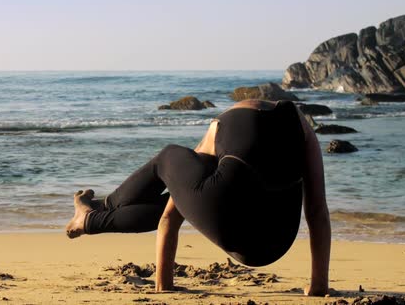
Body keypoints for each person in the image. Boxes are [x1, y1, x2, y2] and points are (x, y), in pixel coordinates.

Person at [65, 99, 331, 296]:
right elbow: (317, 209)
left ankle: (94, 214)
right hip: (276, 239)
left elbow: (170, 215)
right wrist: (319, 285)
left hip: (229, 227)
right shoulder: (302, 128)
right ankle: (95, 212)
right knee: (201, 192)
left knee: (167, 159)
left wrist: (164, 283)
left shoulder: (219, 126)